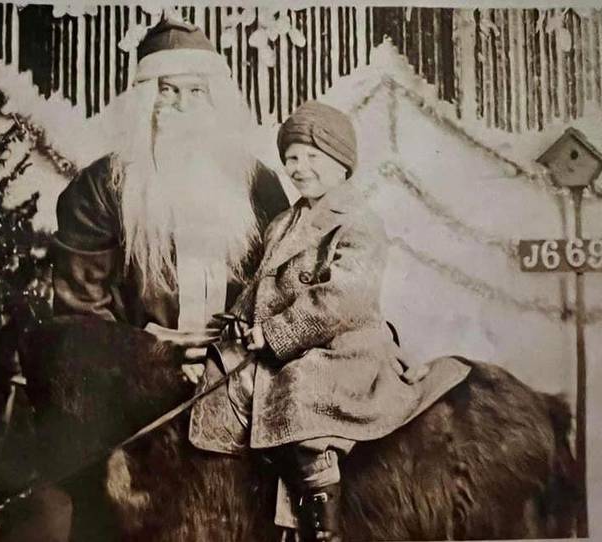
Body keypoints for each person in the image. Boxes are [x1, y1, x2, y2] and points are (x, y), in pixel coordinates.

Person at [46, 16, 289, 542]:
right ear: (143, 103)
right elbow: (76, 317)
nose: (181, 104)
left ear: (216, 100)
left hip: (240, 387)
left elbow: (282, 287)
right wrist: (151, 357)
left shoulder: (260, 187)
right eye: (166, 91)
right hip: (136, 405)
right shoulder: (99, 190)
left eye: (196, 91)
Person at [190, 101, 469, 542]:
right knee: (222, 380)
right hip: (281, 343)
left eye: (313, 157)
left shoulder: (359, 222)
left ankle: (324, 526)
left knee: (302, 392)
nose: (300, 168)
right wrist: (242, 324)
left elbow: (343, 299)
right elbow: (262, 286)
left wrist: (276, 333)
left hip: (345, 345)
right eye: (292, 158)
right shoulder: (283, 222)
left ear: (342, 165)